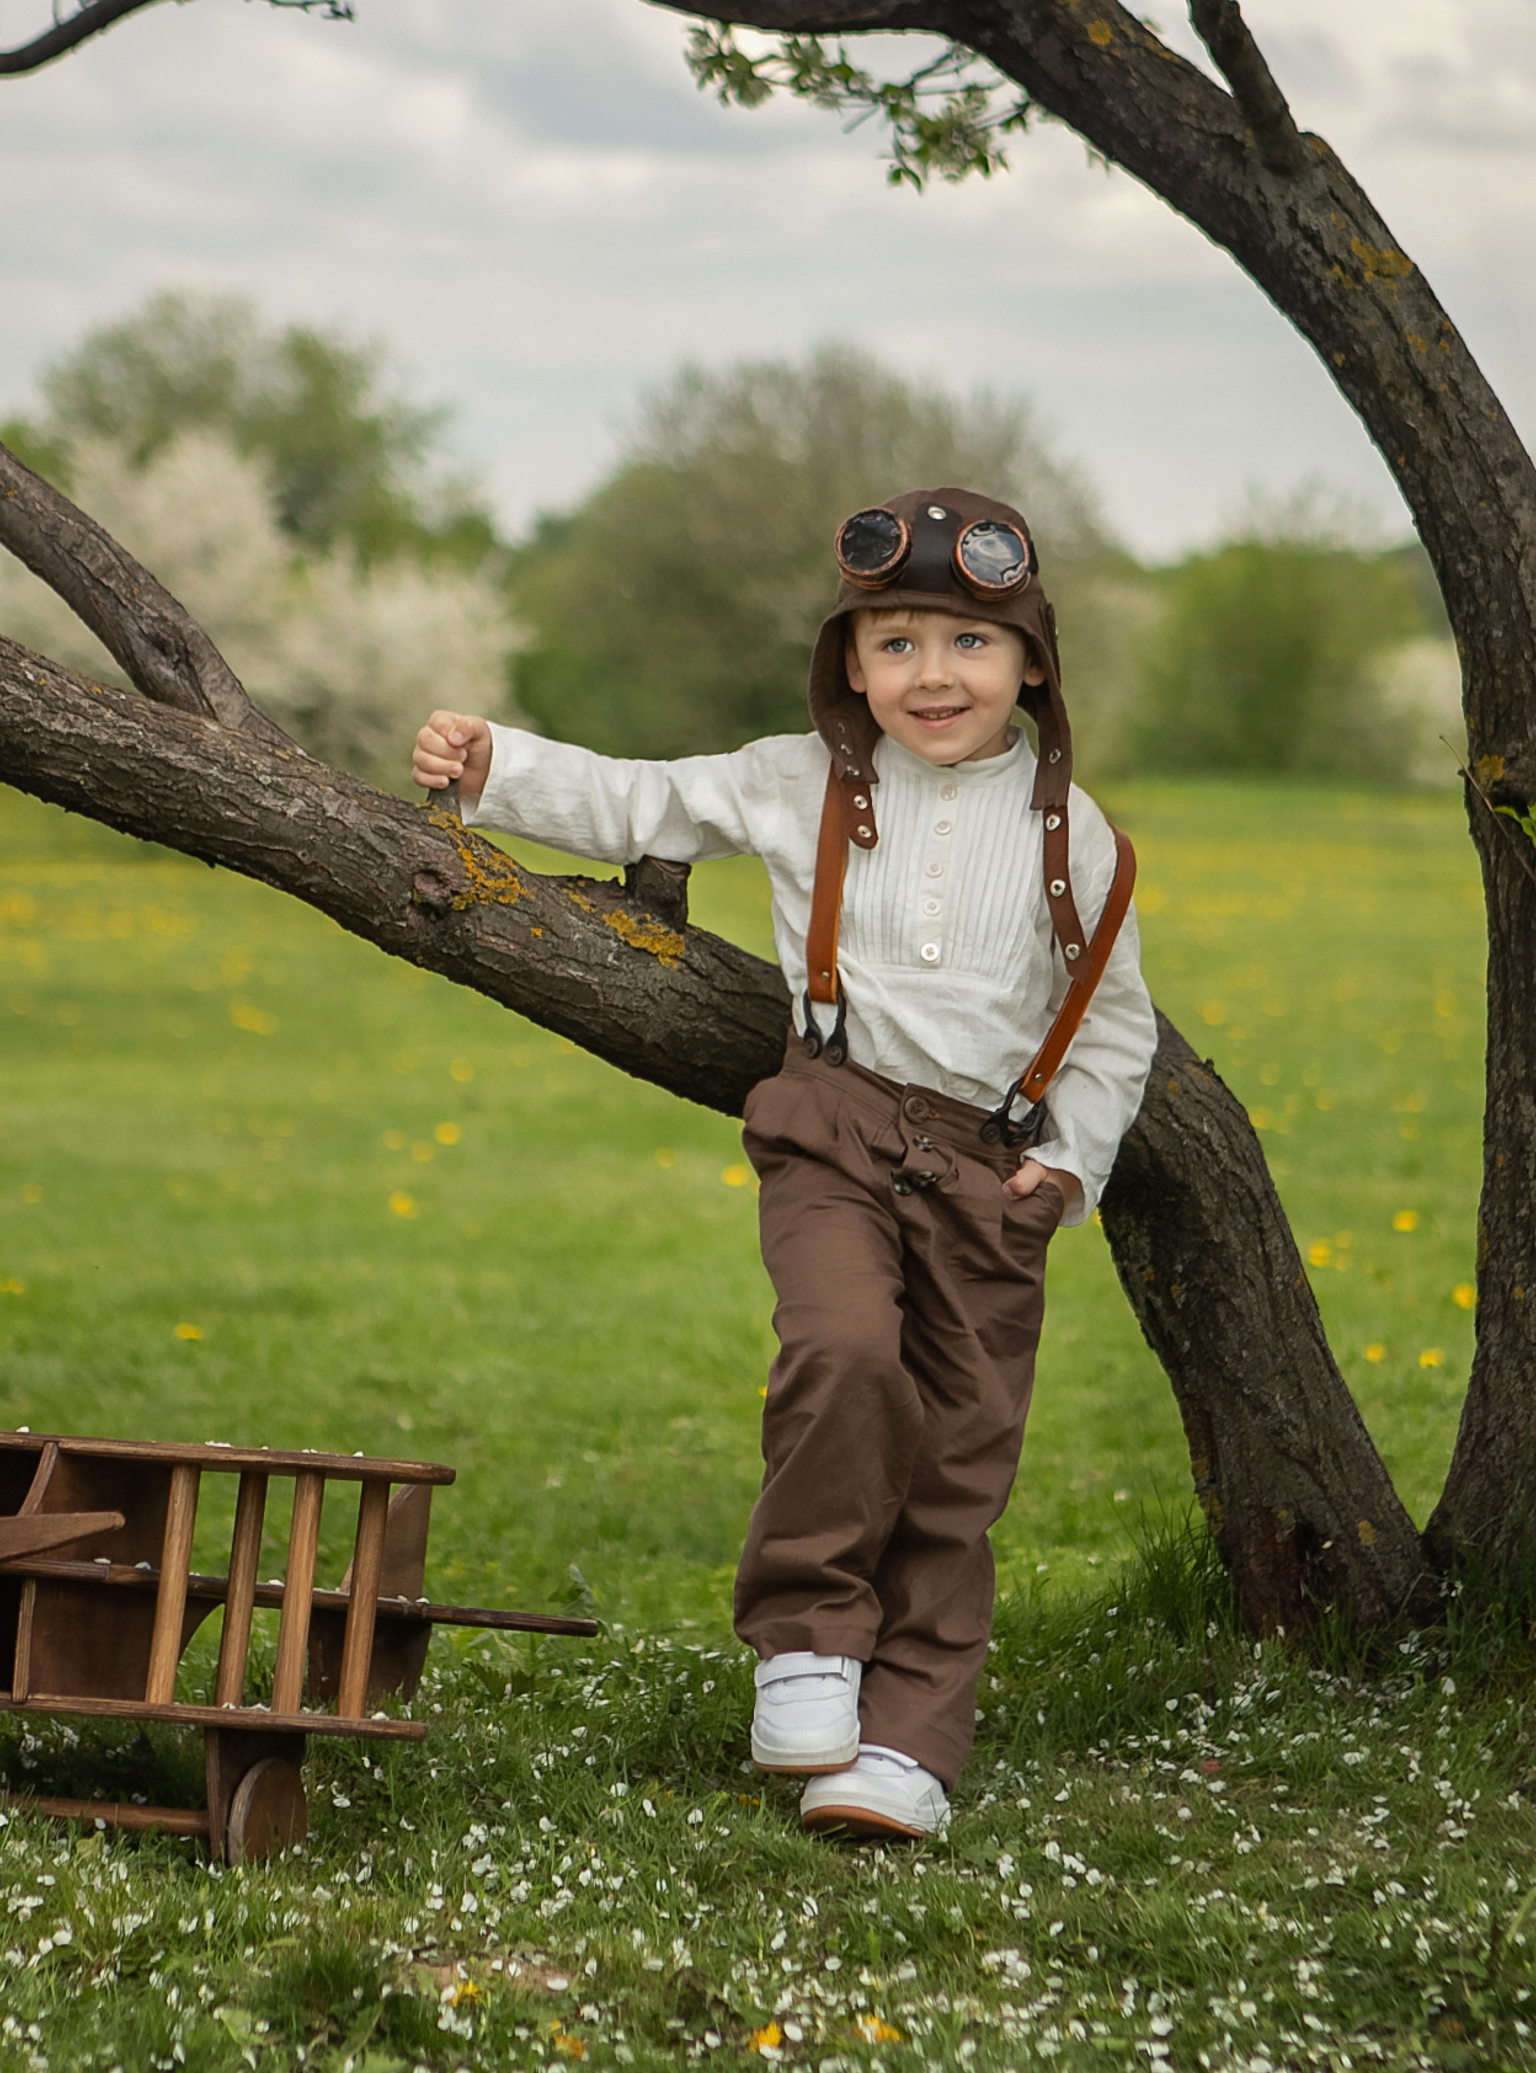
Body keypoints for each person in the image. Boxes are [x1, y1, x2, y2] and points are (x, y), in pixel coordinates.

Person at [413, 489, 1153, 1841]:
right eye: (896, 645)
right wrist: (491, 767)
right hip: (837, 1126)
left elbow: (1112, 1023)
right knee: (842, 1352)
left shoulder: (1076, 836)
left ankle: (910, 1744)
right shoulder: (803, 777)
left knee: (959, 1459)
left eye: (969, 646)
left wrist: (1069, 1162)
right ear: (850, 664)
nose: (933, 676)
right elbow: (644, 799)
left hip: (991, 1167)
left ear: (1031, 662)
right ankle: (809, 1641)